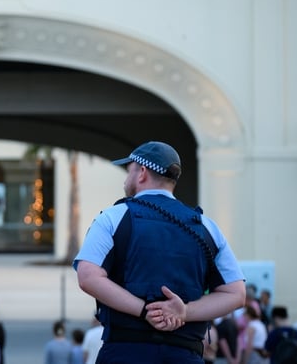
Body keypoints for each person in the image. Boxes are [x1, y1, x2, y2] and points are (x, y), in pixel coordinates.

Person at [74, 141, 246, 363]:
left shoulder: (112, 217)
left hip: (125, 352)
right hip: (186, 354)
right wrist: (184, 311)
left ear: (142, 172)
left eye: (129, 171)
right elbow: (236, 294)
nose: (126, 180)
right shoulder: (207, 227)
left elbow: (88, 276)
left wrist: (145, 311)